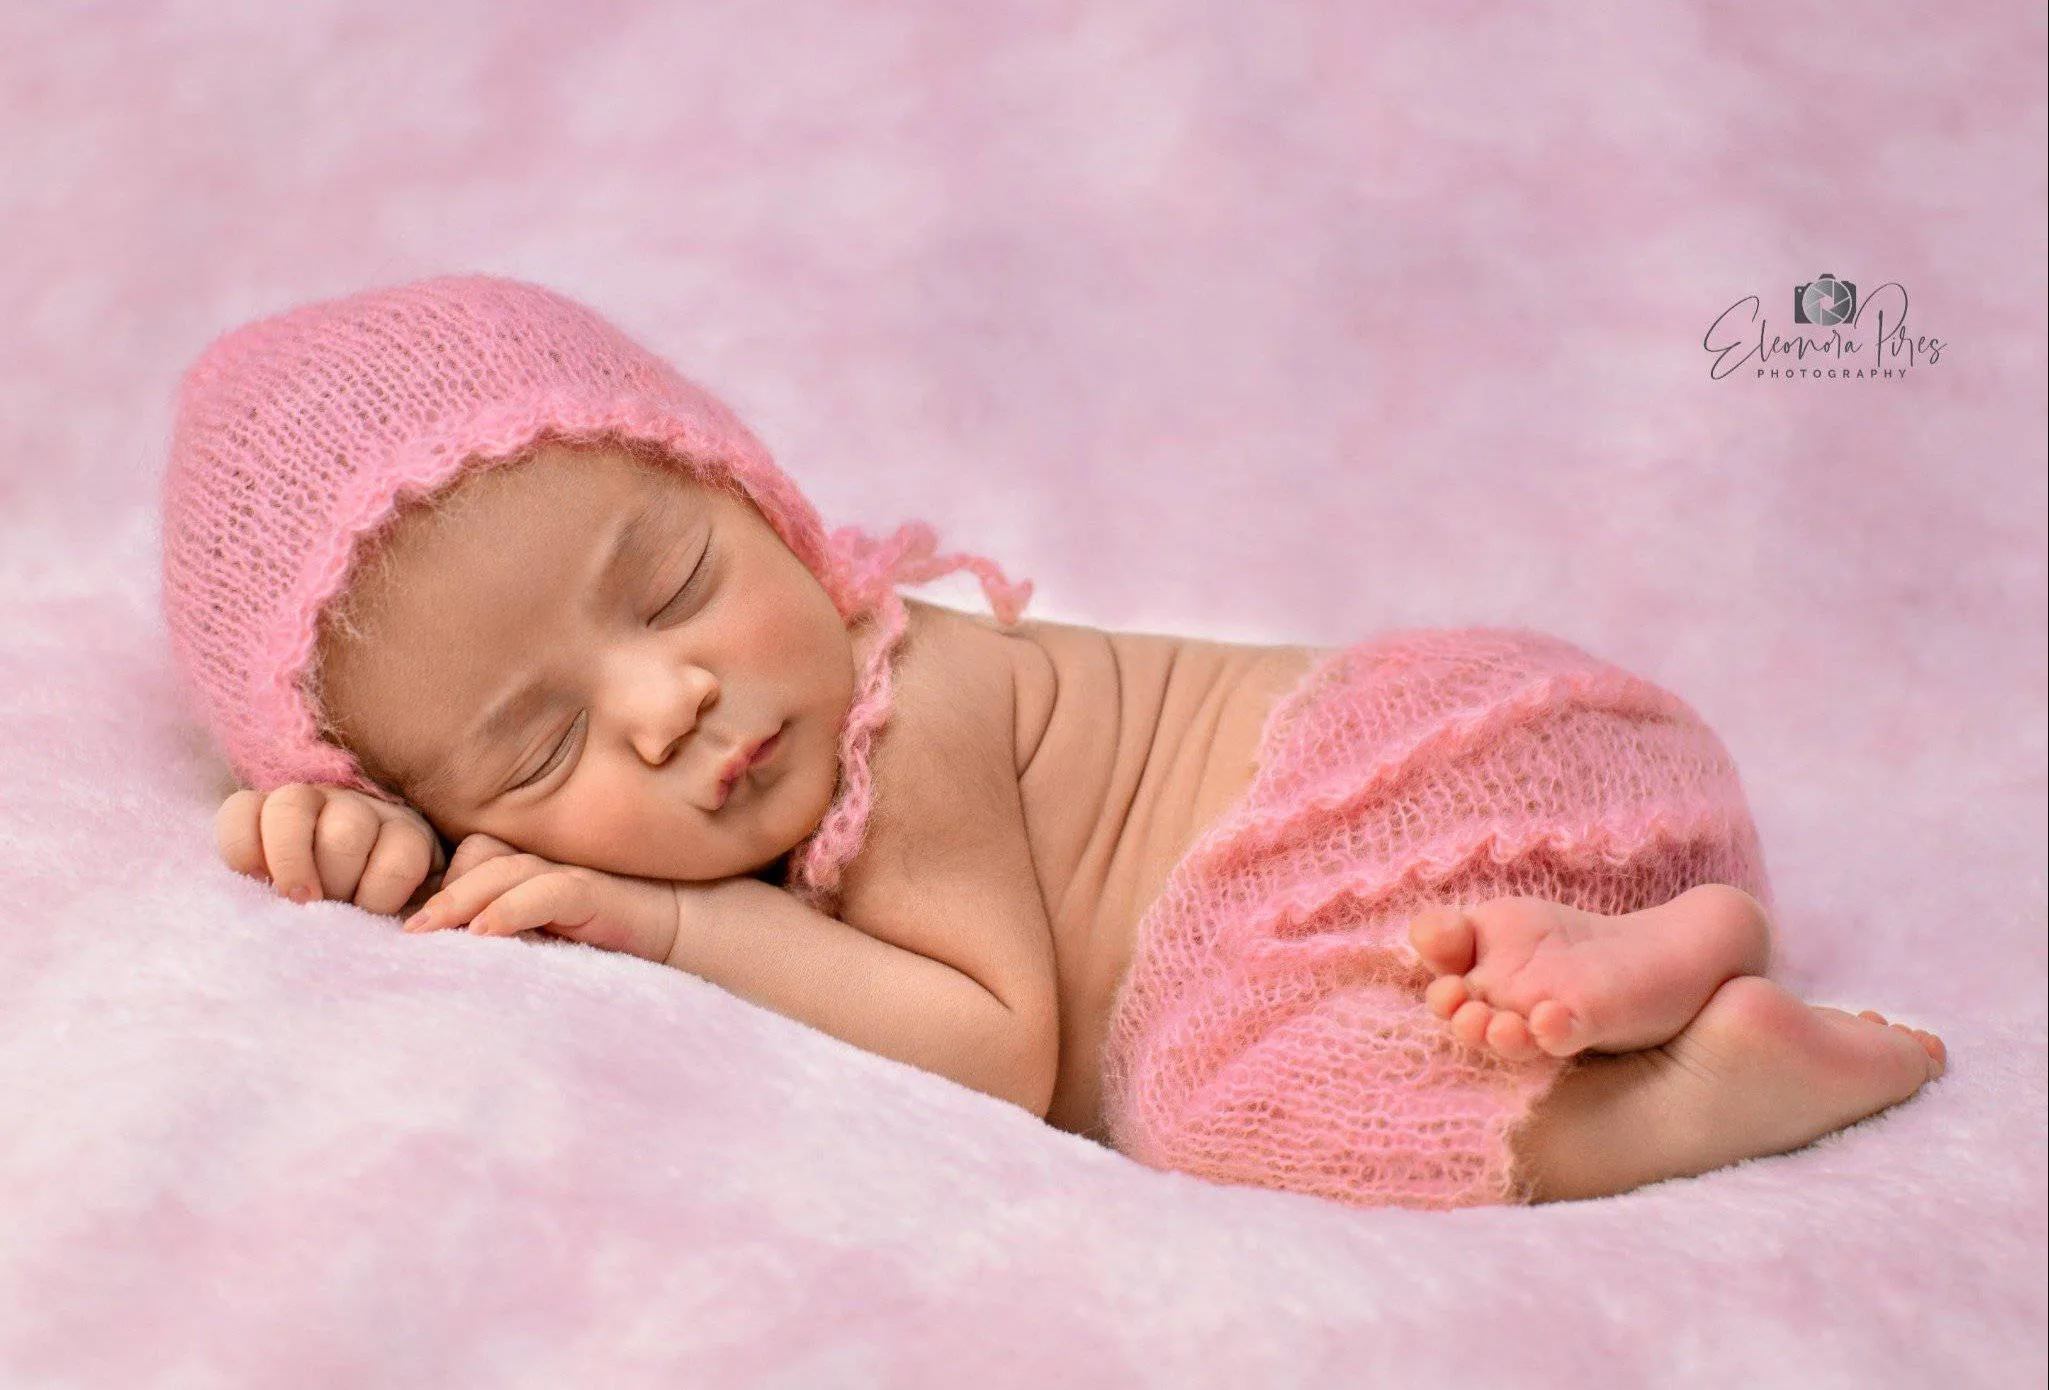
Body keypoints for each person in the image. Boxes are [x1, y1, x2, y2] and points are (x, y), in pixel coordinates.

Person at [163, 275, 1945, 1212]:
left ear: (757, 492)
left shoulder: (903, 707)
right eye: (541, 746)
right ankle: (1659, 943)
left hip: (1436, 775)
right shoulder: (674, 750)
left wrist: (692, 922)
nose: (669, 700)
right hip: (1528, 815)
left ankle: (1706, 1067)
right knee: (1313, 1016)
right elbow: (405, 852)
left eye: (676, 579)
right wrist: (352, 842)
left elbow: (1002, 1050)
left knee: (1214, 1097)